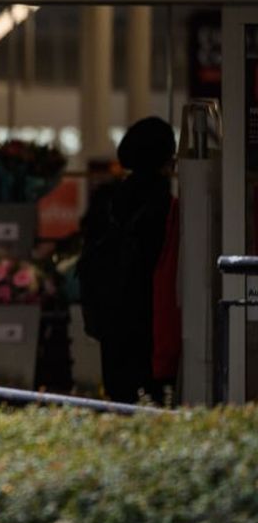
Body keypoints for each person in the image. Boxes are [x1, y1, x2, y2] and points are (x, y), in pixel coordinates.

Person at [77, 116, 177, 403]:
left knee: (118, 394)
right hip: (149, 312)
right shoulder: (163, 201)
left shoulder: (108, 197)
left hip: (110, 312)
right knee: (152, 395)